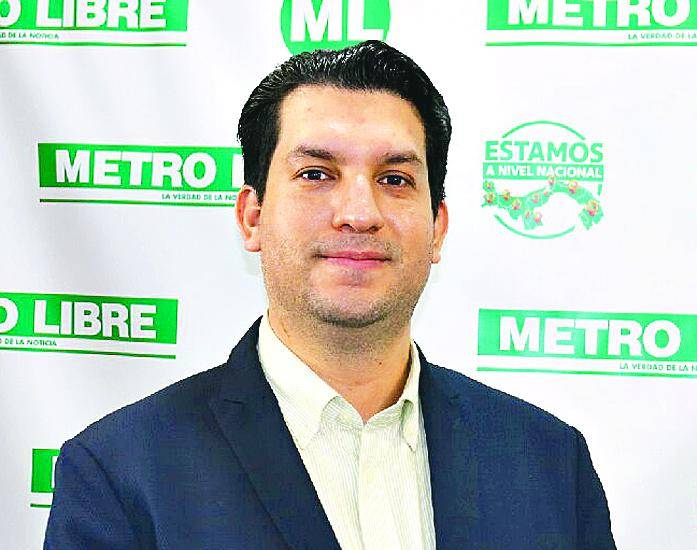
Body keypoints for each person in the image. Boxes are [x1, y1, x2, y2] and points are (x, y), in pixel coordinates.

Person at [44, 41, 615, 549]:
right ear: (252, 217)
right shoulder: (121, 474)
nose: (359, 213)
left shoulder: (548, 463)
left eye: (395, 179)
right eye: (316, 174)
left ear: (437, 228)